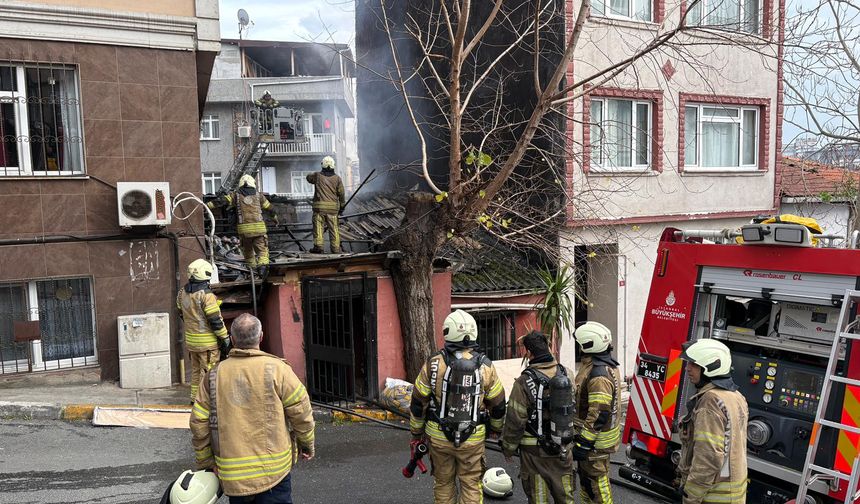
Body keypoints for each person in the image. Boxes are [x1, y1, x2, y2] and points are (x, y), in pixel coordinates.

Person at [190, 313, 315, 504]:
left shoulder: (213, 376)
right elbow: (301, 412)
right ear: (261, 337)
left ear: (232, 340)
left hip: (234, 478)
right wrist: (306, 444)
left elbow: (198, 422)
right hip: (274, 473)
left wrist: (207, 462)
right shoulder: (278, 370)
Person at [409, 309, 507, 504]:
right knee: (471, 484)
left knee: (443, 483)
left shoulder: (433, 363)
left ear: (447, 332)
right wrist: (495, 429)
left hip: (438, 437)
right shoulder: (486, 366)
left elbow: (418, 402)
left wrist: (416, 433)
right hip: (473, 438)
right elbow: (498, 405)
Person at [502, 330, 577, 503]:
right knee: (565, 497)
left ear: (528, 353)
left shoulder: (523, 382)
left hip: (534, 454)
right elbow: (575, 409)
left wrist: (508, 448)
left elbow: (515, 420)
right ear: (549, 348)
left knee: (538, 497)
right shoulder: (567, 374)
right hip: (563, 449)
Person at [676, 339, 748, 504]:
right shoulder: (737, 396)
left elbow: (708, 458)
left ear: (711, 366)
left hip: (713, 495)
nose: (687, 368)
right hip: (732, 494)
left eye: (693, 364)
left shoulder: (710, 400)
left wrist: (691, 494)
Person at [571, 321, 622, 504]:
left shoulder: (598, 375)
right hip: (595, 441)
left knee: (598, 486)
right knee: (587, 484)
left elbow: (599, 414)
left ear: (588, 344)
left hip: (595, 443)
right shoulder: (604, 365)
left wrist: (584, 443)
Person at [177, 259, 229, 403]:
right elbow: (215, 322)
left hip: (192, 342)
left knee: (195, 371)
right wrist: (225, 338)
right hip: (207, 344)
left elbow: (182, 313)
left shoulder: (182, 292)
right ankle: (207, 401)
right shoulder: (207, 295)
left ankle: (194, 399)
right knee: (209, 372)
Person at [207, 174, 278, 277]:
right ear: (253, 183)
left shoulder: (235, 195)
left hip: (244, 231)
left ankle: (252, 273)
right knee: (262, 252)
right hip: (259, 230)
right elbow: (271, 209)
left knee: (248, 252)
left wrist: (206, 205)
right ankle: (263, 273)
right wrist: (275, 219)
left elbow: (220, 201)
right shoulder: (259, 196)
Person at [306, 156, 344, 254]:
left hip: (319, 209)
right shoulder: (337, 179)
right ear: (333, 166)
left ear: (322, 165)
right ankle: (335, 249)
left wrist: (313, 174)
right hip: (333, 210)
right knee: (334, 229)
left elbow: (308, 178)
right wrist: (342, 207)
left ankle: (319, 247)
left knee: (318, 228)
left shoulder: (317, 176)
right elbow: (341, 194)